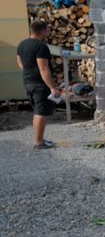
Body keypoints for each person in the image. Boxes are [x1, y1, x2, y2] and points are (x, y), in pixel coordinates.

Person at [16, 20, 61, 150]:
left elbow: (19, 62)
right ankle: (38, 142)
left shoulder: (22, 44)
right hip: (39, 84)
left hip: (28, 82)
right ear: (42, 31)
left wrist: (28, 71)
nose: (48, 31)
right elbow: (43, 68)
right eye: (47, 29)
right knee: (40, 113)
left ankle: (39, 138)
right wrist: (53, 88)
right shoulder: (41, 46)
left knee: (37, 111)